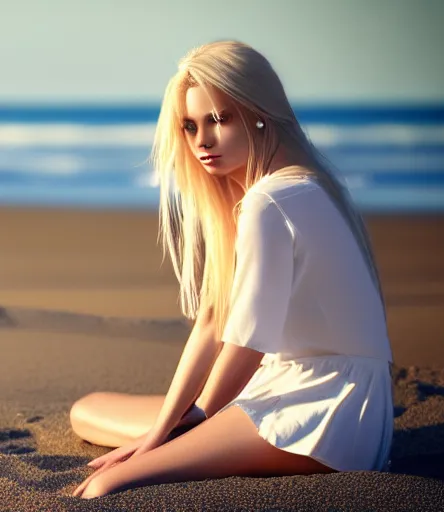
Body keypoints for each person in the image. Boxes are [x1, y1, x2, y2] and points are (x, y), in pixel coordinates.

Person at [70, 40, 394, 500]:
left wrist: (197, 419)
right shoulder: (302, 184)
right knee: (86, 411)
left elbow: (246, 345)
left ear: (258, 113)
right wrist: (163, 429)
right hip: (325, 400)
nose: (201, 141)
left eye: (218, 119)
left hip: (321, 410)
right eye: (189, 125)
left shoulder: (272, 200)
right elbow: (212, 324)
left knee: (105, 485)